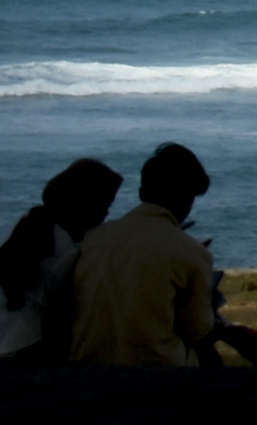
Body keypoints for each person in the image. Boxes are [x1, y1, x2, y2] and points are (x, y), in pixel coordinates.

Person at [64, 145, 220, 368]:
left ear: (141, 193)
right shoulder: (192, 252)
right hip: (157, 369)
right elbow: (197, 330)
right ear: (188, 198)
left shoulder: (93, 239)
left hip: (87, 366)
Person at [0, 157, 123, 361]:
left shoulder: (29, 220)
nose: (107, 213)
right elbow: (67, 312)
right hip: (12, 348)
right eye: (105, 204)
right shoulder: (63, 253)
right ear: (86, 204)